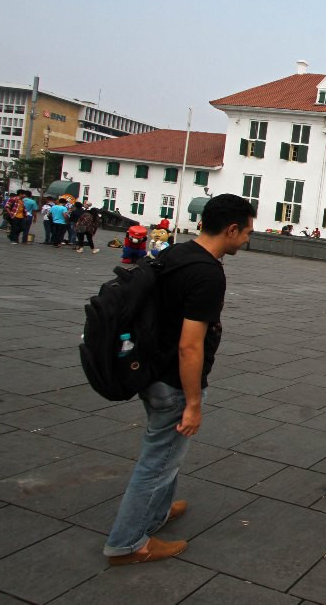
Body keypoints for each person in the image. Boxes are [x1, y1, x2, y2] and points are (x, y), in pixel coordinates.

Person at [104, 194, 255, 566]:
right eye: (247, 231)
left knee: (167, 454)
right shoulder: (207, 273)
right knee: (157, 461)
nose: (249, 238)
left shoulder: (176, 252)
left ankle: (156, 513)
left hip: (150, 367)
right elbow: (191, 346)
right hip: (172, 379)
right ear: (231, 229)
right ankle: (127, 543)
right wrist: (193, 403)